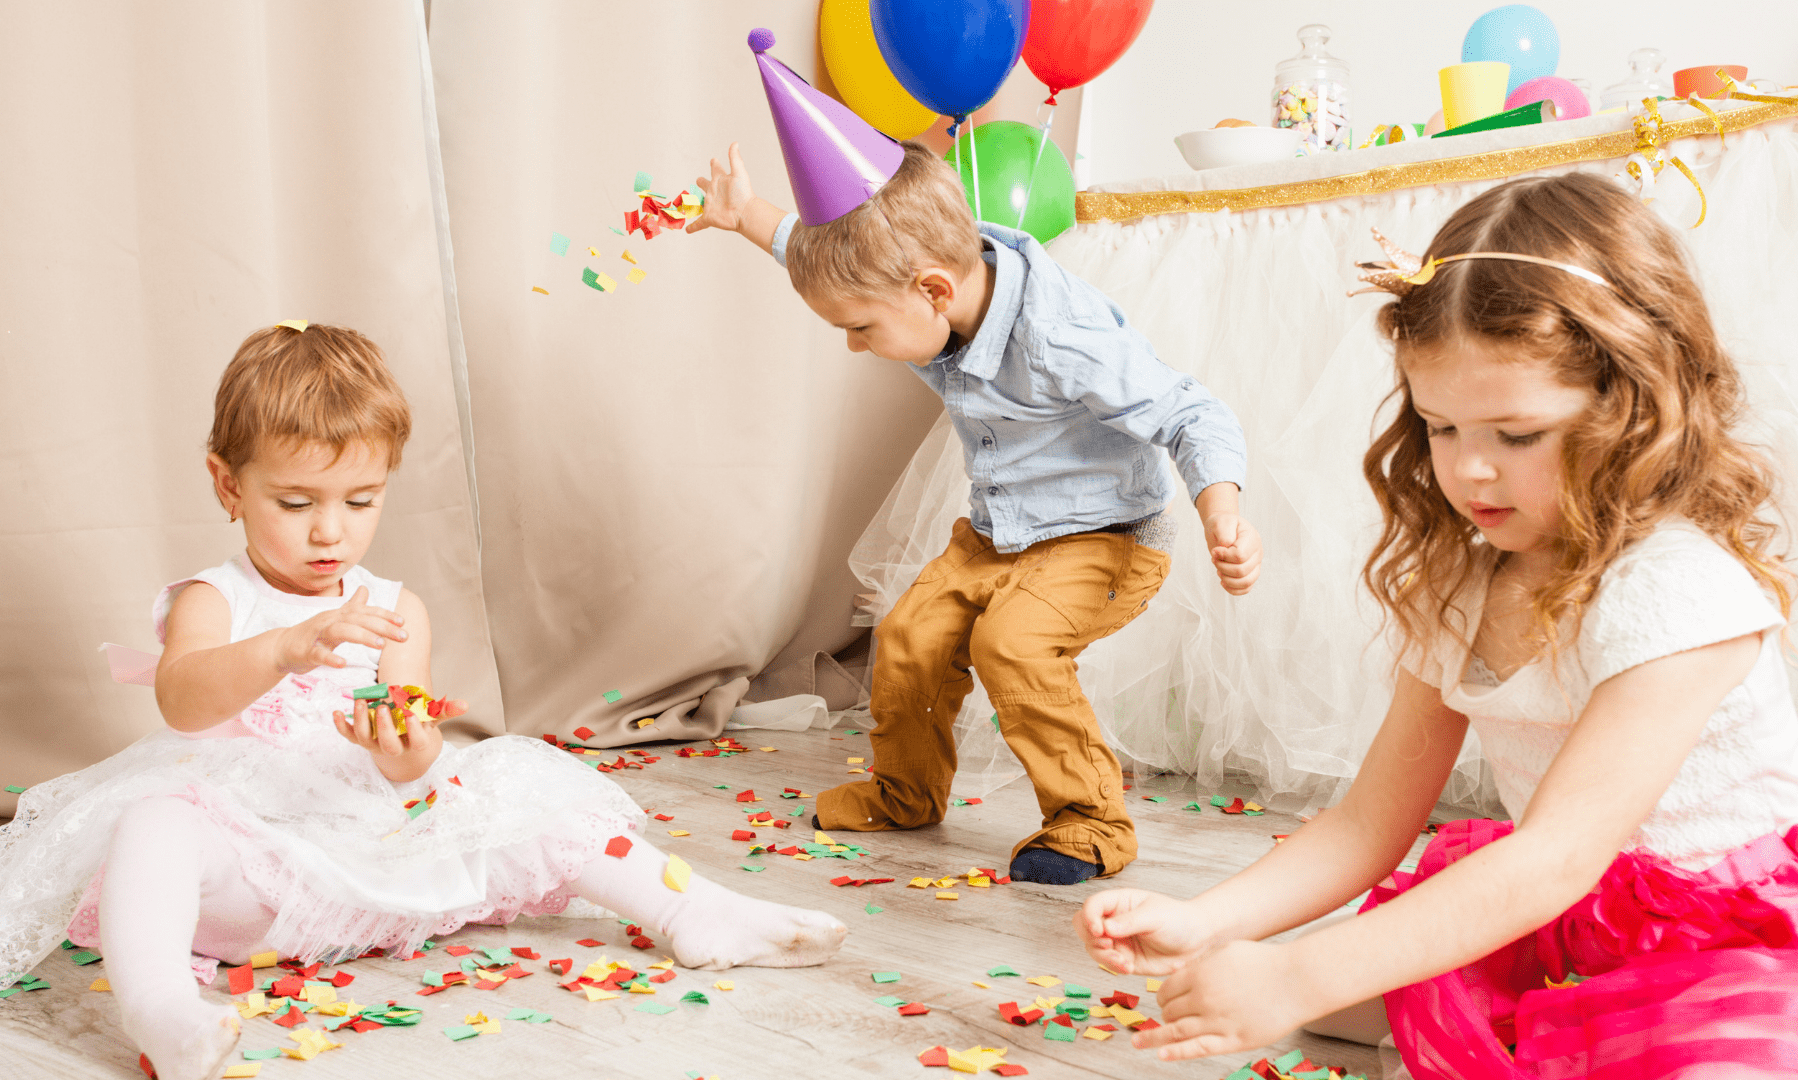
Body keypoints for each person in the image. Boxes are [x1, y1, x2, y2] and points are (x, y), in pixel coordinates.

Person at [0, 323, 845, 1080]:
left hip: (370, 845)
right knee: (152, 825)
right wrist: (289, 646)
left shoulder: (393, 609)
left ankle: (699, 913)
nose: (330, 533)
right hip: (252, 861)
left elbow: (414, 763)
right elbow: (181, 698)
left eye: (360, 500)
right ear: (228, 485)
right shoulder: (217, 598)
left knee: (530, 798)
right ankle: (162, 1008)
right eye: (296, 504)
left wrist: (403, 749)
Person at [1073, 172, 1798, 1076]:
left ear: (1632, 407)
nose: (1470, 473)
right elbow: (1369, 823)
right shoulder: (1465, 579)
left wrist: (1294, 975)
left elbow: (1555, 856)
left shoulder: (1679, 592)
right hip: (1564, 912)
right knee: (1348, 1013)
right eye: (1442, 427)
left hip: (1727, 932)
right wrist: (1206, 921)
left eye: (1517, 435)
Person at [690, 125, 1261, 887]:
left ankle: (1092, 821)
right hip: (1000, 533)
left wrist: (1220, 510)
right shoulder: (924, 281)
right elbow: (823, 250)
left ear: (932, 290)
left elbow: (1193, 413)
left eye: (860, 328)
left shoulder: (1061, 334)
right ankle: (905, 793)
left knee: (1013, 643)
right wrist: (749, 213)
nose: (856, 345)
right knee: (906, 635)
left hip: (1109, 535)